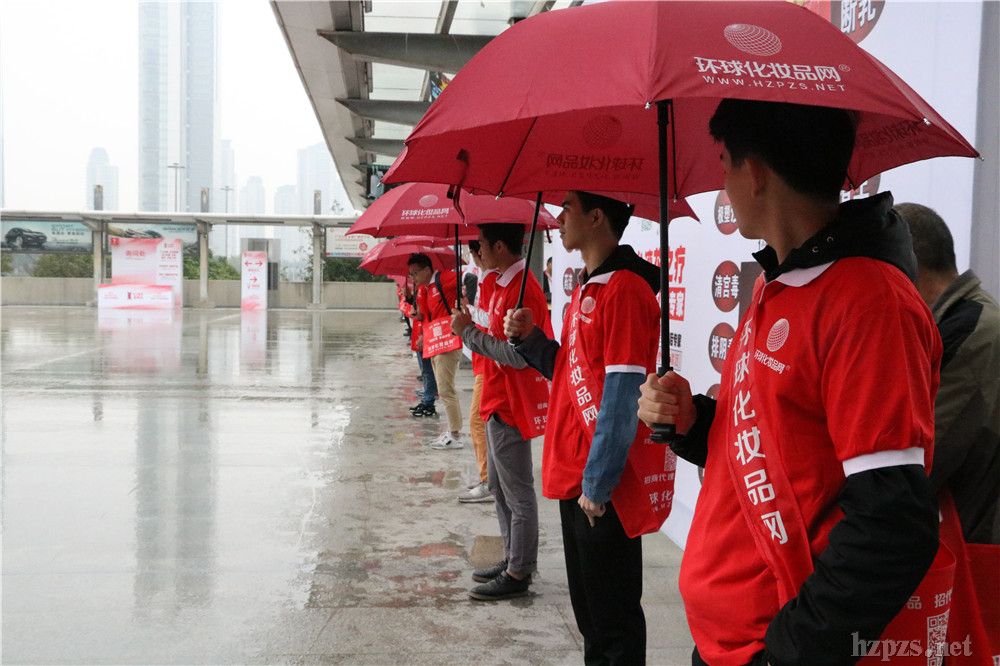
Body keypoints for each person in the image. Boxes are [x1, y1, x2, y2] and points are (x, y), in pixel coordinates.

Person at [637, 100, 943, 666]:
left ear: (755, 172)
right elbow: (772, 443)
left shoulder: (869, 303)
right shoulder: (777, 284)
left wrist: (788, 651)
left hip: (769, 645)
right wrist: (693, 422)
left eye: (724, 165)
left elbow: (893, 523)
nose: (723, 187)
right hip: (723, 638)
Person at [504, 191, 661, 665]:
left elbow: (623, 391)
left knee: (613, 623)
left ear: (595, 218)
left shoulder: (625, 290)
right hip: (576, 473)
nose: (558, 218)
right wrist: (530, 339)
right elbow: (571, 371)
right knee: (591, 617)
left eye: (567, 208)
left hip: (600, 483)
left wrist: (597, 484)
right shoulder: (588, 290)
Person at [450, 222, 550, 601]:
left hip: (511, 402)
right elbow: (494, 335)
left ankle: (519, 570)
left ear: (500, 247)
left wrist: (468, 334)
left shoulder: (525, 290)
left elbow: (519, 356)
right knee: (497, 485)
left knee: (518, 491)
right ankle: (512, 556)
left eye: (481, 244)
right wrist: (469, 324)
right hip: (494, 397)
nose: (477, 251)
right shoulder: (498, 283)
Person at [895, 202, 1000, 545]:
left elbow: (914, 467)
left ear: (907, 265)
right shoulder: (960, 322)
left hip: (975, 553)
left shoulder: (973, 334)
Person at [408, 253, 464, 449]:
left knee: (446, 389)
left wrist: (463, 306)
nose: (413, 278)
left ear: (427, 270)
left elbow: (467, 279)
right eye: (410, 274)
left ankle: (455, 435)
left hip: (448, 342)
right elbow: (427, 317)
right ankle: (452, 431)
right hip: (435, 343)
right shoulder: (426, 289)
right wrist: (418, 320)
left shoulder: (444, 279)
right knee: (443, 388)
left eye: (415, 273)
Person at [458, 240, 496, 504]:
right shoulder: (482, 278)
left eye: (478, 251)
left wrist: (469, 312)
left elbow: (492, 320)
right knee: (482, 422)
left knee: (477, 421)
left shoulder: (495, 280)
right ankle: (490, 478)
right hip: (483, 360)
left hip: (490, 362)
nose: (476, 257)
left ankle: (488, 481)